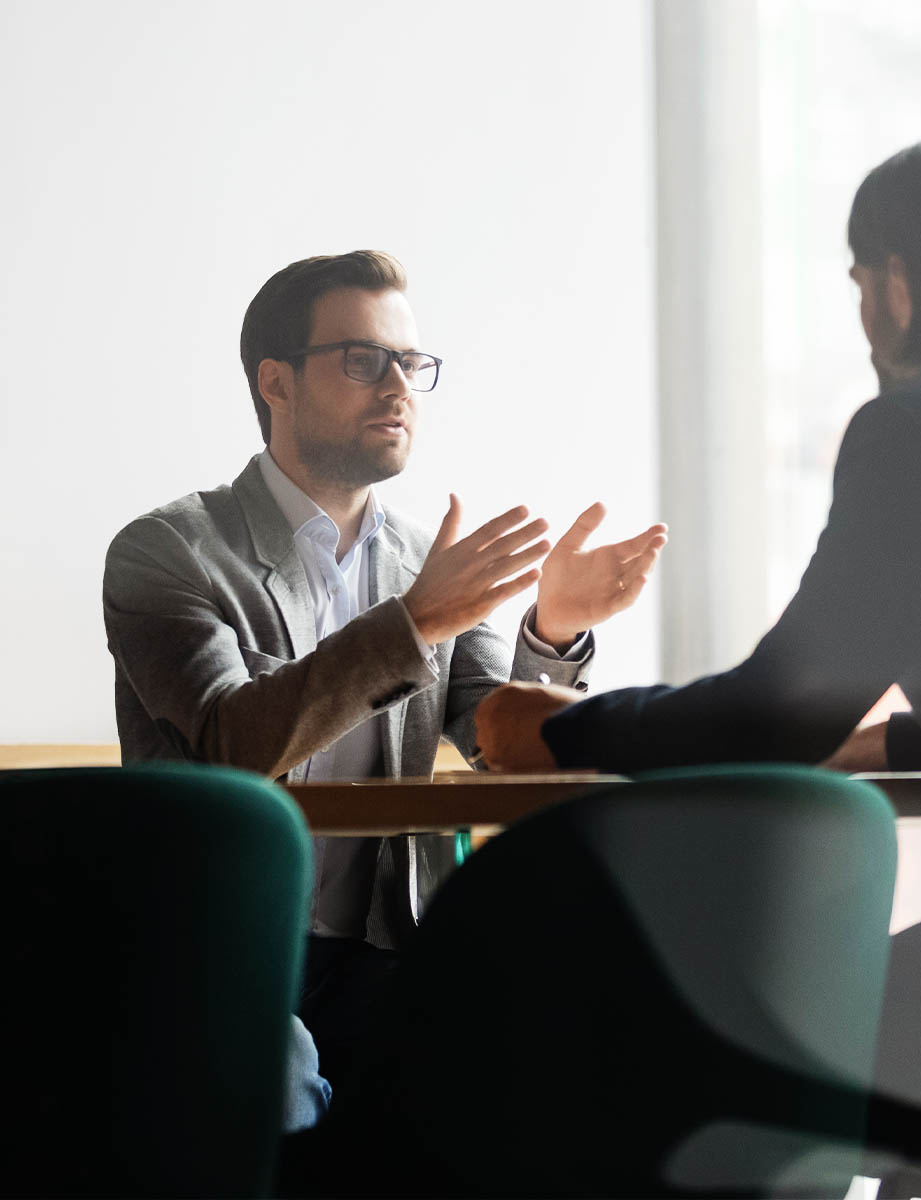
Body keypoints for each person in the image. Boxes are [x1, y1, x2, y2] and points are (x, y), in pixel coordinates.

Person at [102, 249, 667, 1101]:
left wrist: (554, 630)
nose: (399, 386)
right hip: (214, 942)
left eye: (411, 363)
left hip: (388, 948)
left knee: (551, 1041)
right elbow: (228, 742)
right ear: (275, 382)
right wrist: (417, 623)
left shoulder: (420, 562)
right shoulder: (169, 551)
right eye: (363, 360)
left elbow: (498, 746)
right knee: (275, 1085)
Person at [475, 124, 921, 785]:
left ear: (901, 284)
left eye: (860, 286)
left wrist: (566, 728)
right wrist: (901, 741)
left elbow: (789, 709)